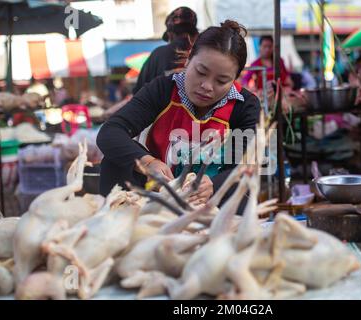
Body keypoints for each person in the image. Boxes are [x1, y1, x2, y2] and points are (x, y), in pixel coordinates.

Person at [97, 20, 261, 208]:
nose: (207, 86)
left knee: (241, 183)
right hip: (156, 194)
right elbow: (110, 132)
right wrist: (148, 163)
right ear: (189, 59)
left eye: (222, 80)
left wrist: (213, 185)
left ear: (235, 78)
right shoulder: (162, 89)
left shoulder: (245, 105)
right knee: (114, 159)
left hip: (210, 204)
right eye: (201, 72)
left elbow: (246, 164)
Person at [132, 7, 199, 94]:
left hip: (163, 107)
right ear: (194, 32)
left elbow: (139, 91)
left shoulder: (158, 54)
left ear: (170, 34)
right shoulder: (203, 52)